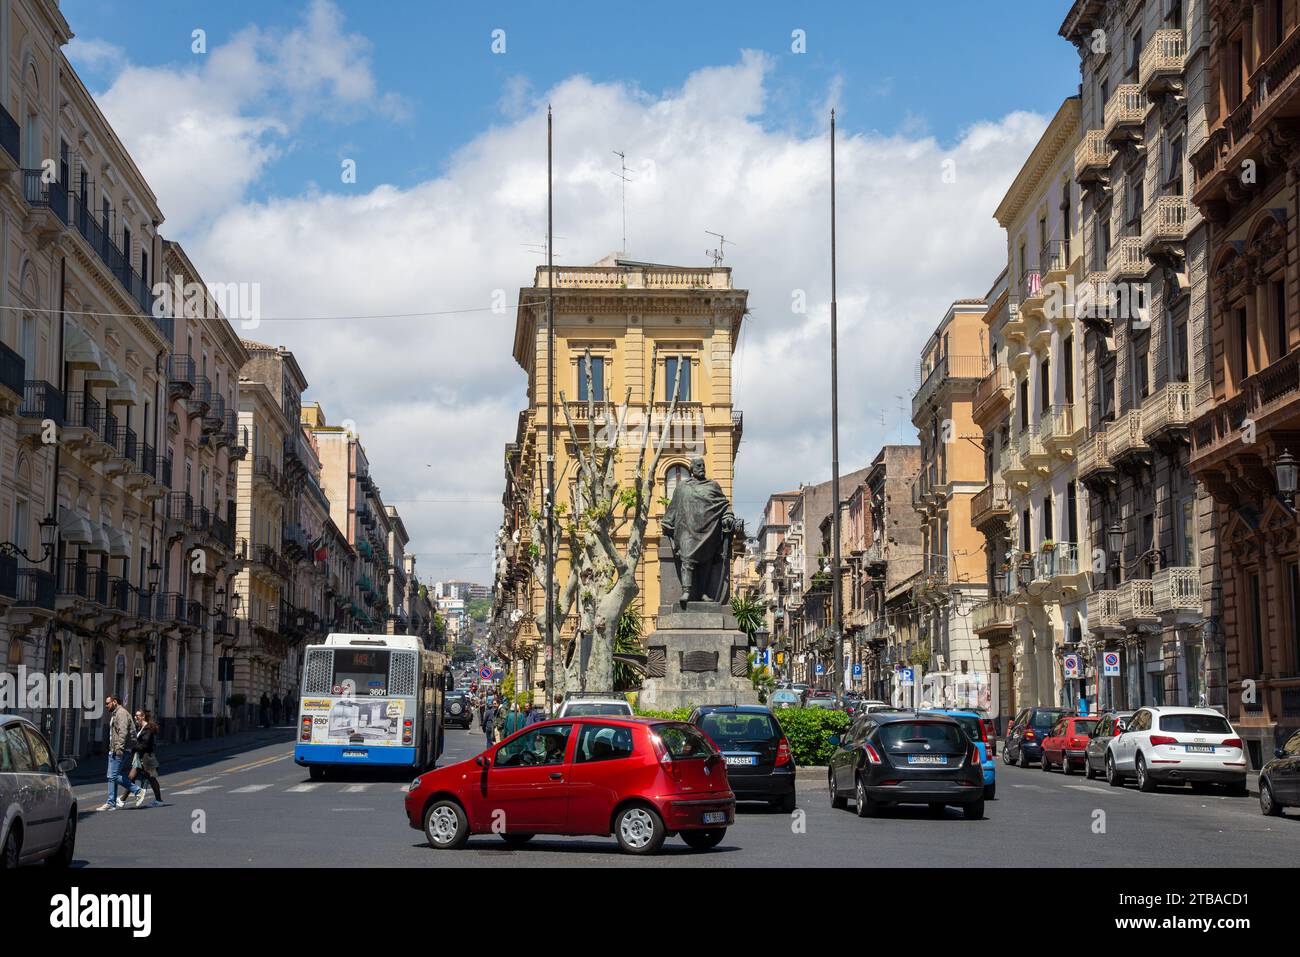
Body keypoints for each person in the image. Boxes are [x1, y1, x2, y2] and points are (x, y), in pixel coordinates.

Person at [99, 695, 143, 810]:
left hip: (120, 750)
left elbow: (123, 732)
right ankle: (111, 802)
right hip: (114, 749)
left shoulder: (121, 713)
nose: (106, 705)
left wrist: (119, 749)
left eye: (107, 703)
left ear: (114, 702)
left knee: (112, 775)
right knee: (111, 776)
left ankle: (137, 790)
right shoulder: (115, 713)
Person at [131, 709, 163, 808]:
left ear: (143, 716)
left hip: (148, 758)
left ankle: (159, 800)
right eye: (135, 715)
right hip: (141, 757)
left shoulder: (148, 728)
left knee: (152, 779)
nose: (135, 717)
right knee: (132, 777)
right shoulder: (140, 727)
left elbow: (145, 744)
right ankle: (125, 798)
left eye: (137, 715)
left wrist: (133, 747)